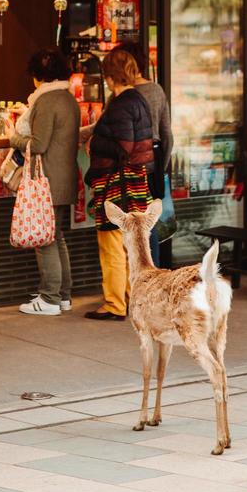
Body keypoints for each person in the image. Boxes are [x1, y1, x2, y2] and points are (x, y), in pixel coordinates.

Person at [6, 48, 80, 316]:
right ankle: (63, 296)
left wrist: (12, 136)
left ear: (38, 75)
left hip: (47, 180)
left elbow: (37, 145)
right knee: (56, 236)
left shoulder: (47, 101)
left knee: (45, 239)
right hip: (64, 178)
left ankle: (49, 298)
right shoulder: (68, 99)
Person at [84, 49, 154, 320]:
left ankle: (114, 304)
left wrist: (95, 143)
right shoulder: (138, 99)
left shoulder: (122, 103)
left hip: (117, 184)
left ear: (111, 76)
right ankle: (130, 300)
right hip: (133, 182)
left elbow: (124, 146)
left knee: (112, 245)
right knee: (127, 245)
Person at [111, 42, 173, 266]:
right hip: (152, 163)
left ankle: (132, 284)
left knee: (126, 227)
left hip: (129, 167)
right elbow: (167, 135)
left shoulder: (123, 95)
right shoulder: (156, 90)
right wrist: (159, 168)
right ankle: (152, 275)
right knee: (149, 226)